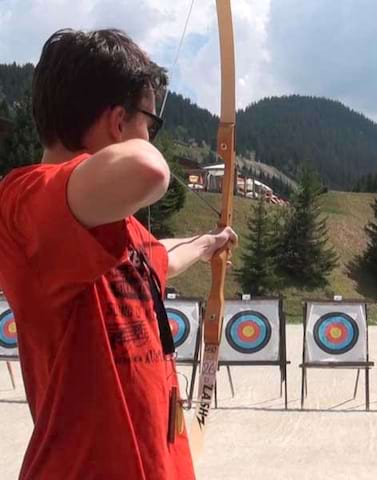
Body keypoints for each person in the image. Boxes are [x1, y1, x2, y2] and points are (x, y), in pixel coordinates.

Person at [0, 29, 237, 479]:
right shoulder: (25, 203)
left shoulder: (112, 229)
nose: (151, 137)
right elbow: (147, 169)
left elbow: (156, 257)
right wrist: (141, 145)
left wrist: (208, 244)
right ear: (117, 122)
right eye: (150, 122)